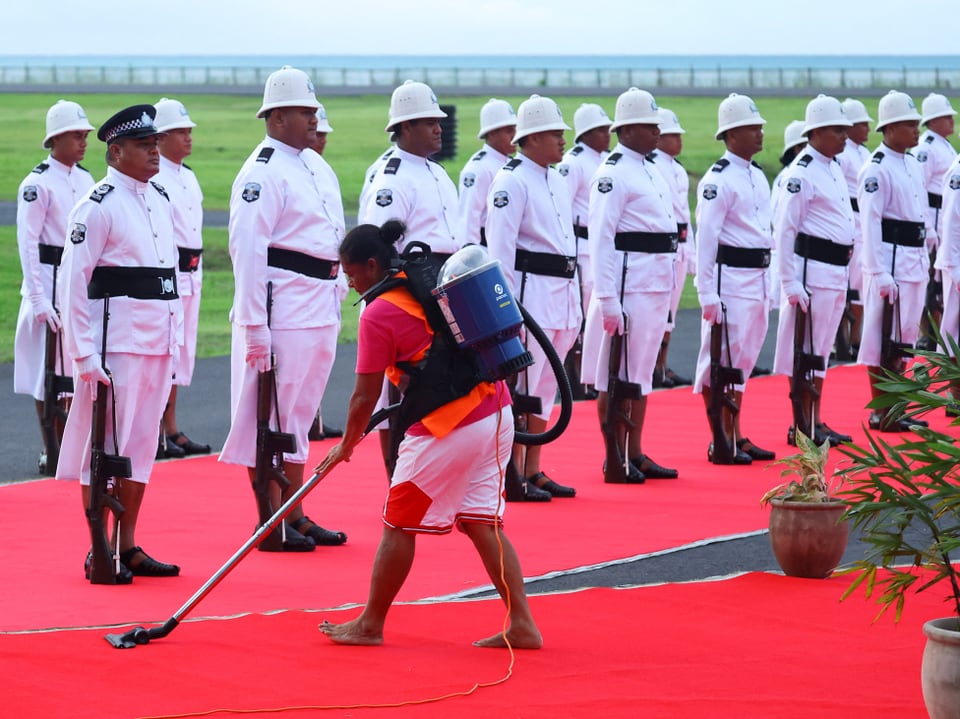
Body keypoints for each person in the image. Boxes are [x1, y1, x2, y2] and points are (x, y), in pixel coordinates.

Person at [315, 220, 542, 650]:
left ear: (370, 265)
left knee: (398, 523)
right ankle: (523, 625)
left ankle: (370, 624)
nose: (348, 283)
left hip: (449, 425)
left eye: (350, 273)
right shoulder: (427, 279)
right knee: (482, 523)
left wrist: (346, 445)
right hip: (497, 408)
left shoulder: (378, 313)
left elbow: (364, 396)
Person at [219, 66, 347, 550]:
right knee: (269, 415)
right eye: (304, 110)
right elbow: (247, 248)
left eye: (314, 109)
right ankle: (269, 519)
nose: (314, 118)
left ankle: (297, 510)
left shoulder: (314, 165)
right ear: (275, 117)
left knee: (300, 413)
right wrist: (253, 323)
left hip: (318, 302)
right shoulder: (263, 171)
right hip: (282, 305)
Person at [56, 104, 182, 581]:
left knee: (142, 446)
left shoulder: (159, 197)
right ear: (116, 151)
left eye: (155, 144)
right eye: (145, 145)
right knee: (106, 449)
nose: (155, 151)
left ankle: (127, 546)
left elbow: (165, 277)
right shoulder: (98, 203)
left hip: (156, 341)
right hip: (117, 344)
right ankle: (98, 548)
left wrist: (176, 338)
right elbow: (73, 281)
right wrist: (83, 354)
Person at [359, 80, 460, 475]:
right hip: (409, 295)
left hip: (443, 289)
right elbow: (377, 253)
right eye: (426, 122)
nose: (438, 128)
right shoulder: (393, 177)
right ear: (403, 128)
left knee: (444, 384)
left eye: (438, 121)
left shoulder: (435, 172)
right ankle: (397, 474)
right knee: (404, 389)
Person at [485, 94, 580, 500]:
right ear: (534, 137)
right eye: (555, 133)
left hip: (561, 291)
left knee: (545, 387)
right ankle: (513, 473)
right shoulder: (511, 179)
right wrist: (504, 311)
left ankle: (534, 468)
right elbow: (500, 251)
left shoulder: (555, 178)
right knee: (523, 387)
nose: (562, 140)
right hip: (530, 291)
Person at [586, 87, 680, 482]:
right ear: (627, 129)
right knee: (617, 375)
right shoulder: (612, 173)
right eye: (649, 125)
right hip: (629, 284)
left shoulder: (649, 166)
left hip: (654, 282)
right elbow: (601, 237)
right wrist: (607, 297)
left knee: (639, 376)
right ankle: (614, 456)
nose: (657, 131)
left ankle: (634, 451)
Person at [693, 93, 776, 465]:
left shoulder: (757, 175)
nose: (760, 133)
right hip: (730, 279)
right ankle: (719, 437)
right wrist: (706, 291)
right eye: (752, 127)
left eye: (760, 126)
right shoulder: (717, 180)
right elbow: (706, 239)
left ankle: (737, 433)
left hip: (756, 277)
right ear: (732, 134)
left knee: (742, 361)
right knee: (722, 361)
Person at [14, 99, 95, 476]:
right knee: (46, 375)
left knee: (72, 370)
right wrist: (37, 298)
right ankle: (51, 447)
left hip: (74, 280)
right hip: (47, 279)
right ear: (56, 138)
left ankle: (70, 447)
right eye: (76, 135)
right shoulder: (37, 183)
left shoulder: (86, 179)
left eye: (84, 135)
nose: (83, 142)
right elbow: (28, 243)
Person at [770, 95, 856, 447]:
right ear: (816, 132)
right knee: (805, 351)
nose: (845, 137)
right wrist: (789, 281)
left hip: (834, 270)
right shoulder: (801, 172)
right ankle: (802, 424)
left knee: (820, 351)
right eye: (838, 130)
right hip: (812, 271)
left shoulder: (832, 165)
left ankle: (815, 420)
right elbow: (785, 229)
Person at [856, 90, 931, 431]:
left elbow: (919, 209)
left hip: (913, 259)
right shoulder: (876, 168)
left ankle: (897, 406)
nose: (916, 130)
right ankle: (881, 410)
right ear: (890, 128)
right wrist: (877, 270)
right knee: (881, 337)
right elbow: (870, 222)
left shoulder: (912, 163)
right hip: (891, 259)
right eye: (909, 124)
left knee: (904, 337)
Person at [152, 97, 211, 459]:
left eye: (189, 131)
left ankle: (171, 427)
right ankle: (156, 430)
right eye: (180, 132)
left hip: (193, 272)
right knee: (164, 352)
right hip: (169, 274)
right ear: (160, 137)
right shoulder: (154, 177)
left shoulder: (187, 176)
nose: (188, 138)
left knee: (181, 353)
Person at [557, 103, 612, 400]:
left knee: (596, 315)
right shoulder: (573, 162)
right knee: (577, 317)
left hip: (598, 247)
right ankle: (573, 381)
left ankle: (591, 375)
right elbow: (562, 207)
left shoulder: (605, 160)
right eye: (602, 129)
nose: (608, 134)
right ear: (587, 132)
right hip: (578, 246)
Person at [305, 103, 346, 443]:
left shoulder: (323, 171)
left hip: (327, 279)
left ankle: (314, 417)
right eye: (318, 134)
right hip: (299, 284)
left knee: (320, 358)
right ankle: (309, 419)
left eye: (325, 135)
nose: (322, 140)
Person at [648, 107, 693, 390]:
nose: (679, 141)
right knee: (659, 312)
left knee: (671, 315)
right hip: (663, 247)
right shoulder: (652, 165)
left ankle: (663, 365)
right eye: (673, 135)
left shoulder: (677, 169)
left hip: (682, 244)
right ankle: (653, 366)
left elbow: (686, 213)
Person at [915, 93, 957, 349]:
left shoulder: (944, 145)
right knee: (931, 280)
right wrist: (927, 227)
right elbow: (918, 188)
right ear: (933, 120)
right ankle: (926, 334)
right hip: (932, 215)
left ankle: (937, 331)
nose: (951, 120)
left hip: (945, 216)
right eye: (946, 116)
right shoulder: (926, 147)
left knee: (940, 283)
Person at [834, 98, 875, 360]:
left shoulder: (864, 153)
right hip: (850, 222)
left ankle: (857, 337)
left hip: (863, 222)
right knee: (847, 285)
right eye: (863, 124)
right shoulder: (842, 155)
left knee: (860, 284)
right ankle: (843, 339)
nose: (868, 129)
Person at [455, 98, 516, 246]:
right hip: (485, 245)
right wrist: (471, 254)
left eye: (515, 129)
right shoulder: (478, 168)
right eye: (509, 131)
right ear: (492, 133)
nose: (515, 135)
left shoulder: (510, 163)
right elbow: (469, 216)